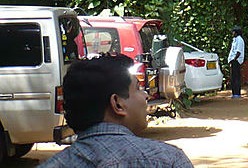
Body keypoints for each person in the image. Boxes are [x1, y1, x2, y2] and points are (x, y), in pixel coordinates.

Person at [42, 54, 193, 167]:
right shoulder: (167, 160)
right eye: (138, 88)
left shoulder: (54, 164)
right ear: (117, 104)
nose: (145, 95)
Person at [228, 25, 245, 98]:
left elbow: (238, 51)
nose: (232, 33)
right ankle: (234, 92)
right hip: (233, 60)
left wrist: (234, 59)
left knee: (236, 77)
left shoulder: (239, 40)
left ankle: (237, 93)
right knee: (233, 77)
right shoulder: (235, 40)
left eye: (233, 32)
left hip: (236, 61)